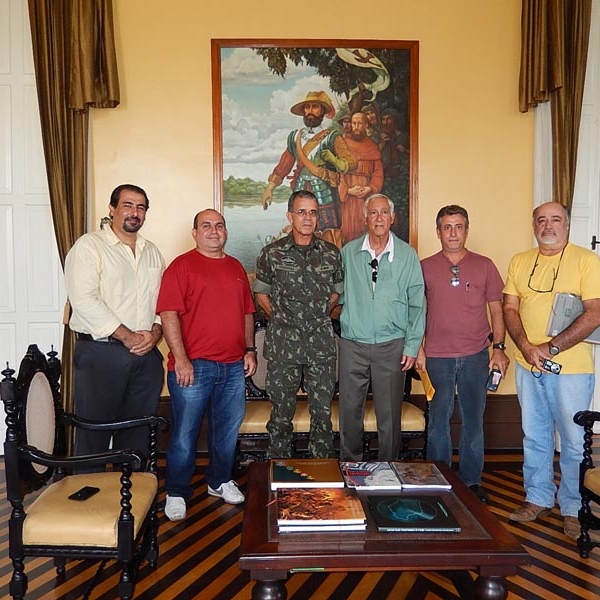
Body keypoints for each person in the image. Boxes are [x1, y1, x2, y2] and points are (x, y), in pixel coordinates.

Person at [503, 201, 600, 538]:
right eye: (541, 220)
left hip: (570, 369)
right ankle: (538, 497)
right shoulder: (520, 261)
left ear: (567, 226)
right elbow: (510, 307)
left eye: (555, 219)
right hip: (528, 364)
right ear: (534, 226)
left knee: (573, 440)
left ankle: (573, 508)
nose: (548, 226)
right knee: (535, 434)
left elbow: (594, 313)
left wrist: (550, 348)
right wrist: (526, 347)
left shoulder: (587, 261)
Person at [156, 209, 256, 520]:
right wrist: (181, 359)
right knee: (185, 434)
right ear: (195, 233)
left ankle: (219, 480)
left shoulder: (236, 267)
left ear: (226, 231)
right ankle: (176, 491)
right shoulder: (181, 266)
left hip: (233, 367)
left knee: (226, 431)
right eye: (207, 226)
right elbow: (168, 314)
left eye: (219, 225)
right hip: (193, 367)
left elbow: (247, 313)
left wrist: (250, 350)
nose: (214, 231)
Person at [416, 205, 509, 504]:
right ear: (438, 232)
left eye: (458, 226)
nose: (453, 233)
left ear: (467, 230)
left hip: (475, 355)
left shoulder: (485, 265)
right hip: (437, 356)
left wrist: (499, 349)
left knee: (473, 420)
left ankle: (471, 482)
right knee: (438, 421)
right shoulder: (424, 267)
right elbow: (416, 311)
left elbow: (497, 309)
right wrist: (418, 348)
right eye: (447, 227)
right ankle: (438, 480)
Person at [64, 184, 165, 459]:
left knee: (138, 434)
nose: (135, 212)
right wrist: (128, 337)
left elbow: (163, 301)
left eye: (141, 207)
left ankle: (135, 486)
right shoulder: (89, 246)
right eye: (127, 205)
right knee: (93, 434)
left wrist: (156, 333)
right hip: (100, 353)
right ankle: (88, 485)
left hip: (145, 357)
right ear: (112, 209)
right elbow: (84, 300)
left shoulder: (152, 251)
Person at [253, 190, 344, 458]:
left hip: (320, 348)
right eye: (301, 212)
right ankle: (279, 469)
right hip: (284, 348)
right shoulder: (272, 253)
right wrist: (283, 317)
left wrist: (319, 313)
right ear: (290, 216)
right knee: (281, 417)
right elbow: (261, 295)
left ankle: (322, 473)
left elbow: (337, 292)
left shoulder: (331, 254)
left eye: (313, 212)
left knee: (322, 417)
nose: (307, 218)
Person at [338, 193, 425, 461]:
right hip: (353, 343)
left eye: (384, 212)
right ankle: (350, 466)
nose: (379, 218)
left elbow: (417, 304)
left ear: (392, 218)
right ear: (365, 218)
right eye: (373, 213)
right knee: (349, 410)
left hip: (392, 345)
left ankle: (389, 468)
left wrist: (412, 345)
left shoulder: (407, 255)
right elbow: (337, 296)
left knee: (389, 413)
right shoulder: (348, 253)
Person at [260, 91, 356, 236]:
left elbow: (351, 162)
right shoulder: (295, 137)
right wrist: (270, 187)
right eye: (307, 107)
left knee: (328, 233)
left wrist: (334, 160)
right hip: (300, 190)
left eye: (315, 107)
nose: (310, 111)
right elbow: (284, 164)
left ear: (322, 111)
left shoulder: (332, 137)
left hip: (325, 194)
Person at [339, 111, 384, 244]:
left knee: (366, 231)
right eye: (354, 123)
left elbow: (378, 173)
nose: (356, 126)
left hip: (367, 198)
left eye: (360, 123)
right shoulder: (343, 145)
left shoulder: (372, 146)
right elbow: (337, 173)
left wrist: (369, 188)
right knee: (348, 231)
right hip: (348, 200)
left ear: (365, 125)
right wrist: (348, 190)